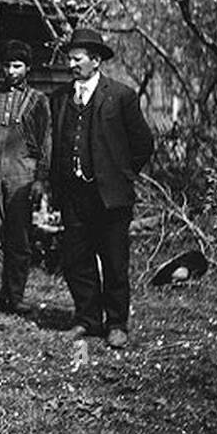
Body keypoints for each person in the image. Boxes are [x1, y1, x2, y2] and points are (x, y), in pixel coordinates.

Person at [49, 27, 154, 349]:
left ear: (95, 61)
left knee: (114, 260)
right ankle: (87, 319)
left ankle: (117, 323)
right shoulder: (61, 98)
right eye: (69, 59)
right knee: (76, 259)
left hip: (110, 196)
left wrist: (120, 175)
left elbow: (143, 144)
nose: (71, 64)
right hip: (73, 194)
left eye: (77, 59)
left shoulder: (121, 96)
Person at [0, 39, 52, 314]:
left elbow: (46, 142)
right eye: (7, 65)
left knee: (19, 238)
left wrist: (41, 179)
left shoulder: (38, 101)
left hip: (22, 176)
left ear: (28, 68)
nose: (11, 71)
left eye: (17, 65)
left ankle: (16, 297)